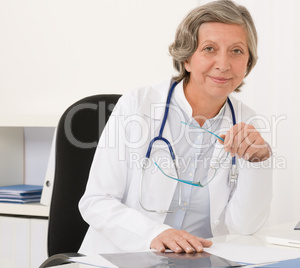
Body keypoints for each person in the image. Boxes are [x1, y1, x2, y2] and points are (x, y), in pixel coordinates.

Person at [78, 0, 273, 255]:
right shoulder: (137, 106)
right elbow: (96, 202)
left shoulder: (247, 123)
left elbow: (245, 226)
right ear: (187, 59)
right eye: (209, 48)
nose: (223, 64)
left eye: (236, 51)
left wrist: (258, 162)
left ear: (248, 62)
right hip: (122, 257)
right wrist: (155, 234)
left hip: (198, 260)